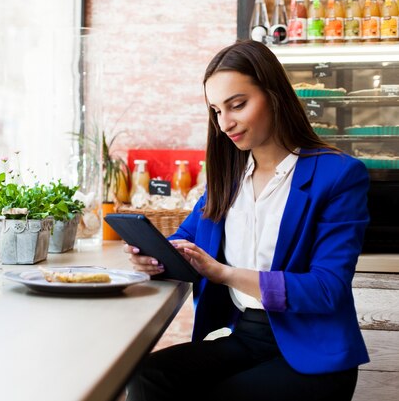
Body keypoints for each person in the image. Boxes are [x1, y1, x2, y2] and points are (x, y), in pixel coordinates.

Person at [124, 40, 370, 401]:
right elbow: (185, 241)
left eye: (237, 105)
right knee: (147, 377)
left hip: (313, 351)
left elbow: (326, 289)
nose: (225, 123)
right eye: (216, 111)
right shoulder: (228, 180)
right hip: (246, 336)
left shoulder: (338, 176)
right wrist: (154, 256)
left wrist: (224, 273)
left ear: (273, 95)